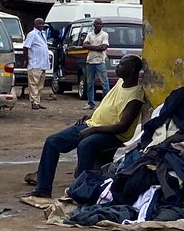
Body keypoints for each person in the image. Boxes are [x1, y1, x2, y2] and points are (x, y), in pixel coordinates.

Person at [30, 54, 144, 198]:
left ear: (132, 70)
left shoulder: (135, 95)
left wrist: (94, 129)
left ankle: (80, 191)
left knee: (85, 145)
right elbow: (108, 106)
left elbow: (122, 127)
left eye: (121, 65)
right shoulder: (120, 83)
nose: (117, 67)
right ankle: (43, 189)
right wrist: (92, 117)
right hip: (93, 124)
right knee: (52, 142)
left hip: (112, 134)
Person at [22, 18, 50, 110]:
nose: (41, 26)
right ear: (35, 24)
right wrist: (26, 60)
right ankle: (34, 102)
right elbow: (26, 47)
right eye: (40, 24)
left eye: (42, 24)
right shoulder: (32, 34)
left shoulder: (43, 34)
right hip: (34, 63)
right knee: (33, 84)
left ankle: (37, 101)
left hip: (42, 64)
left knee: (40, 85)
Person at [83, 17, 110, 110]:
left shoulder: (104, 35)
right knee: (90, 83)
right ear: (94, 25)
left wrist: (91, 47)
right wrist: (96, 47)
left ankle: (104, 103)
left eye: (100, 24)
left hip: (100, 61)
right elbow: (84, 45)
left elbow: (104, 47)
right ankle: (91, 103)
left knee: (105, 83)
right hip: (90, 61)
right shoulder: (90, 34)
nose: (99, 26)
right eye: (97, 24)